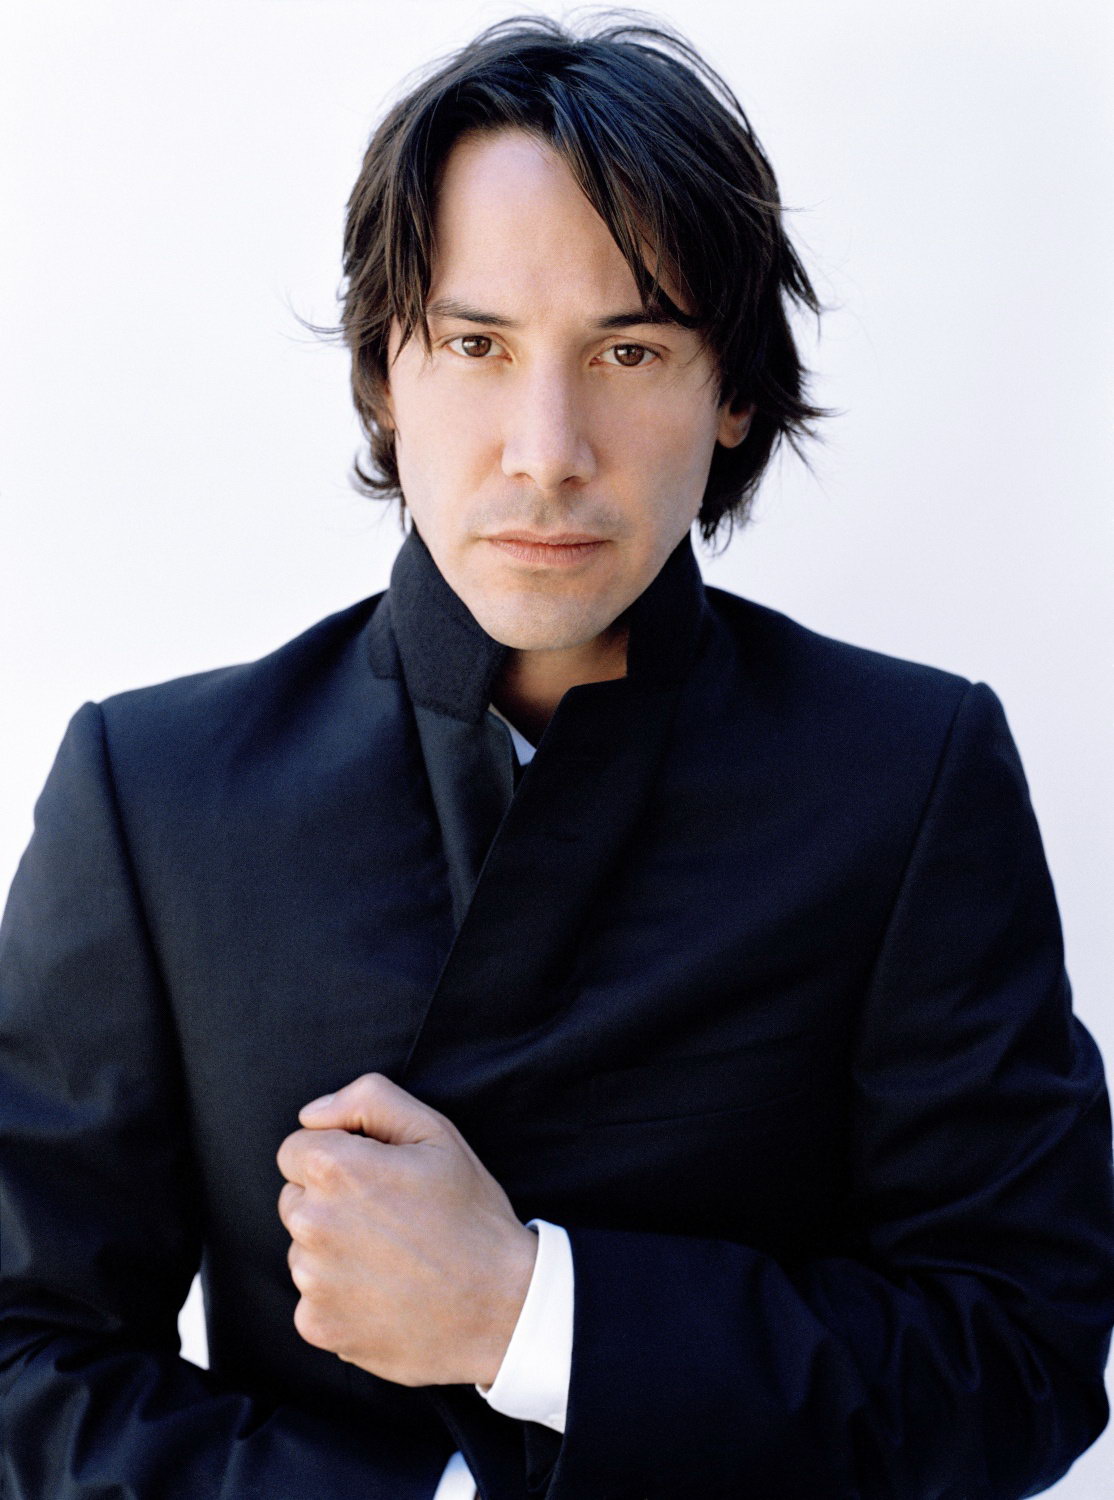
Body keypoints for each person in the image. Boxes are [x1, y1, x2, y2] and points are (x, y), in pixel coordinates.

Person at [2, 13, 1113, 1499]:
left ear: (731, 392)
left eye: (629, 349)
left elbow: (1024, 1356)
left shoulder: (908, 775)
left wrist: (529, 1312)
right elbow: (22, 1354)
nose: (547, 448)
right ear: (385, 376)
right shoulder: (155, 791)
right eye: (477, 345)